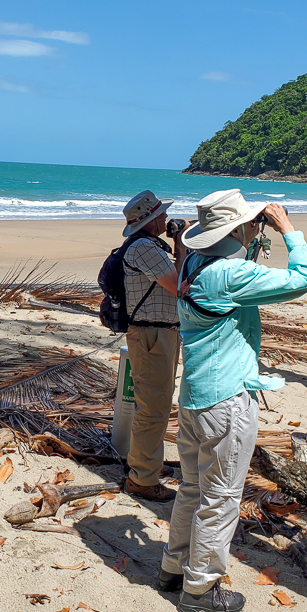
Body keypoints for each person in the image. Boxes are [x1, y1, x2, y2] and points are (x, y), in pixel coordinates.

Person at [159, 189, 307, 612]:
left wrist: (251, 233)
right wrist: (287, 229)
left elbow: (234, 259)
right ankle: (200, 590)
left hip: (194, 396)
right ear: (237, 229)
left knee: (192, 489)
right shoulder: (230, 274)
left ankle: (173, 568)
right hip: (227, 400)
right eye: (250, 222)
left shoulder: (193, 263)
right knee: (221, 497)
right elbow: (306, 277)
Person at [118, 190, 187, 502]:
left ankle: (147, 464)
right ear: (151, 220)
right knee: (154, 408)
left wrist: (177, 243)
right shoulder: (145, 247)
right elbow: (179, 286)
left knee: (155, 405)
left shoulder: (148, 246)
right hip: (152, 335)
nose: (167, 219)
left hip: (158, 333)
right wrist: (181, 243)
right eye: (162, 215)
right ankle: (142, 479)